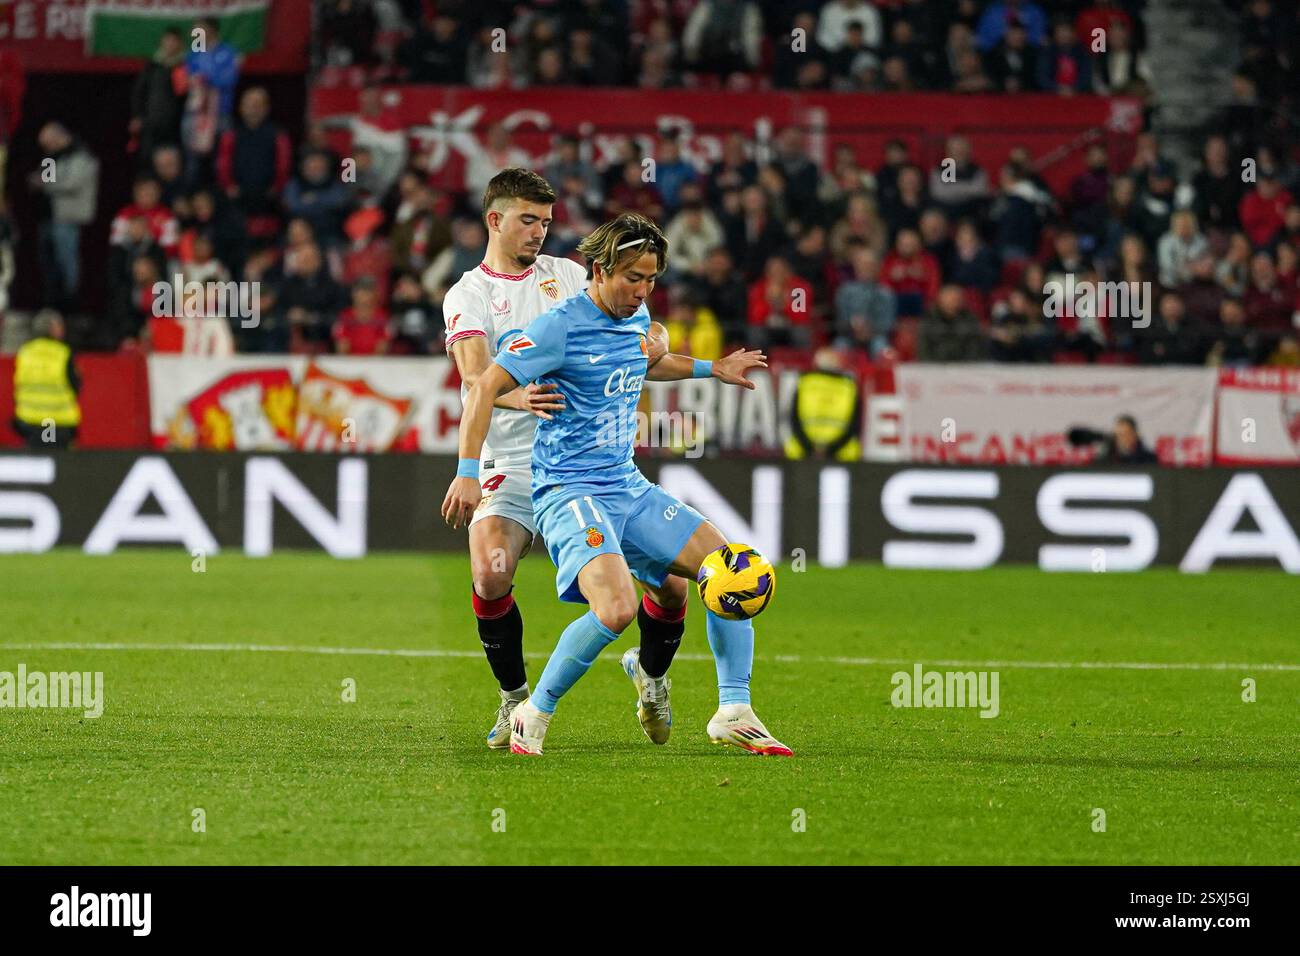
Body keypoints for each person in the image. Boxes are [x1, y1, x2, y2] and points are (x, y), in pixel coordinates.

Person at [442, 213, 791, 758]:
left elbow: (644, 361)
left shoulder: (637, 315)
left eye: (651, 279)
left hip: (625, 485)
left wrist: (710, 368)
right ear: (599, 270)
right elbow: (484, 386)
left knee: (730, 567)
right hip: (569, 490)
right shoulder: (558, 326)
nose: (643, 290)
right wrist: (467, 473)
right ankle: (532, 712)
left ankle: (734, 710)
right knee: (616, 608)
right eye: (633, 277)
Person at [441, 170, 679, 749]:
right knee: (491, 572)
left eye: (546, 221)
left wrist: (660, 338)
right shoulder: (468, 295)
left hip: (582, 465)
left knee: (671, 585)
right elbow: (476, 377)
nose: (540, 232)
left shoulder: (568, 275)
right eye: (528, 219)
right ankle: (515, 701)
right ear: (494, 219)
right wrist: (513, 401)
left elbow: (629, 318)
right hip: (509, 465)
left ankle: (650, 678)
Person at [12, 310, 81, 448]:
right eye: (59, 326)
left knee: (37, 458)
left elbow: (19, 383)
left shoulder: (25, 351)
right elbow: (75, 384)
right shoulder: (62, 352)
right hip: (54, 421)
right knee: (57, 460)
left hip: (29, 420)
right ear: (51, 329)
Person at [785, 347, 862, 461]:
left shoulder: (804, 383)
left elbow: (793, 419)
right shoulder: (849, 387)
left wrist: (810, 447)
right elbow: (855, 425)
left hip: (804, 450)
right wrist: (831, 449)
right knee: (852, 449)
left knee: (792, 447)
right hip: (841, 452)